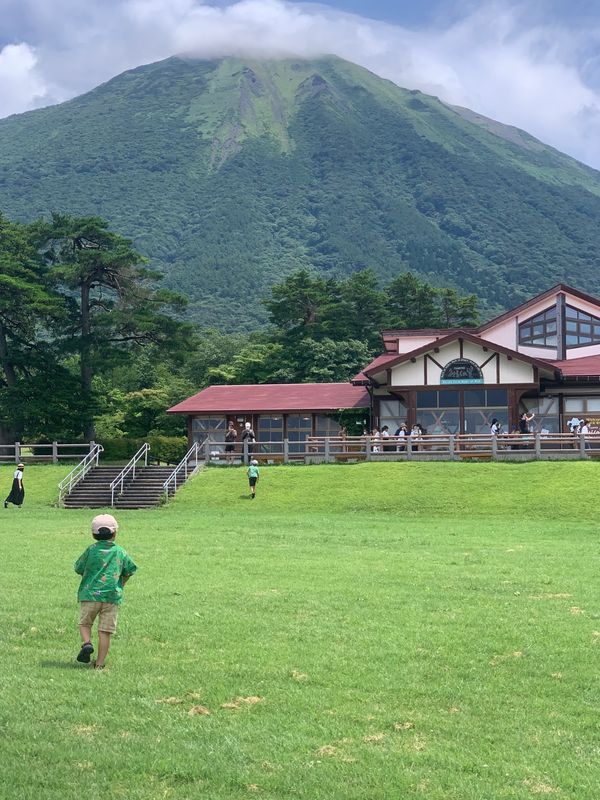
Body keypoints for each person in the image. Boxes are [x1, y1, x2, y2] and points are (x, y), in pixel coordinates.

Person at [74, 514, 137, 669]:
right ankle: (100, 664)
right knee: (105, 631)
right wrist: (121, 583)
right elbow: (130, 570)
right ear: (115, 533)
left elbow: (78, 568)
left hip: (89, 595)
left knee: (85, 623)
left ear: (93, 534)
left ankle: (87, 643)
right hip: (111, 596)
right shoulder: (120, 552)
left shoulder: (90, 550)